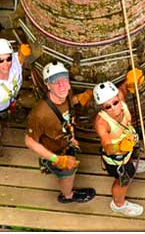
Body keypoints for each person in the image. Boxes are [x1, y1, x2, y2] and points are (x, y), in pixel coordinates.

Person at [24, 61, 96, 203]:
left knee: (70, 167)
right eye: (55, 82)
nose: (62, 85)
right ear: (48, 85)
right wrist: (56, 159)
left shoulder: (67, 93)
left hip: (66, 141)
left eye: (64, 79)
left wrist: (79, 99)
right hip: (55, 151)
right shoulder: (40, 114)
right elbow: (29, 141)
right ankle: (67, 195)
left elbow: (67, 103)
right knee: (67, 175)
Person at [93, 73, 145, 217]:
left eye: (115, 102)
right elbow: (107, 147)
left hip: (128, 147)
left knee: (130, 161)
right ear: (102, 107)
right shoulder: (102, 123)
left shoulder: (121, 98)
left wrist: (130, 80)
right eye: (107, 106)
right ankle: (118, 204)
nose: (114, 108)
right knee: (124, 179)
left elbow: (122, 88)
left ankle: (131, 161)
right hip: (116, 159)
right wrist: (120, 147)